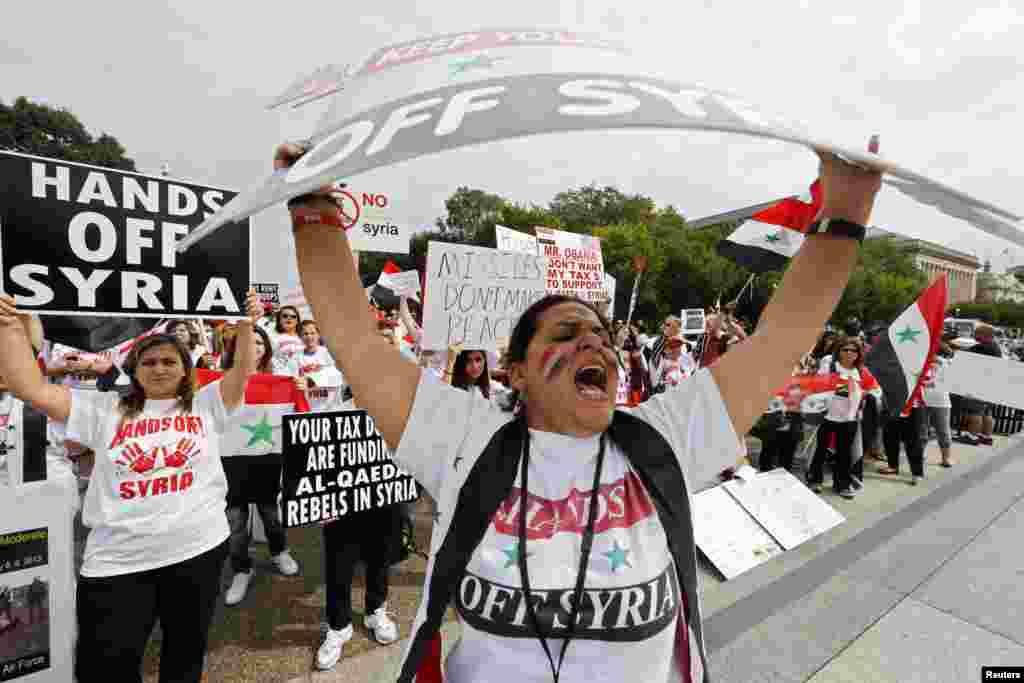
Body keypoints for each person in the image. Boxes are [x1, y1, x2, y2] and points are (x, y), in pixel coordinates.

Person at [277, 136, 881, 682]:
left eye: (600, 333)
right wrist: (312, 212)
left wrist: (848, 211)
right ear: (515, 371)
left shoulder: (663, 436)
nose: (595, 342)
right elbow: (355, 339)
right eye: (567, 333)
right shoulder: (462, 437)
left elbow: (782, 336)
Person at [0, 290, 261, 682]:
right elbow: (28, 387)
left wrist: (246, 325)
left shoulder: (206, 404)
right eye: (149, 361)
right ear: (134, 371)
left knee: (185, 658)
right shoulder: (104, 410)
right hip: (119, 565)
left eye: (169, 361)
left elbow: (242, 370)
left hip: (200, 551)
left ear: (186, 370)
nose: (159, 368)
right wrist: (7, 324)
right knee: (107, 669)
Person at [220, 324, 303, 607]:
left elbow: (301, 418)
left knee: (271, 514)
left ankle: (279, 551)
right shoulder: (217, 383)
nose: (252, 347)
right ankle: (242, 569)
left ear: (266, 349)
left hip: (267, 460)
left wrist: (300, 392)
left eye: (258, 342)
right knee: (235, 523)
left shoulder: (279, 382)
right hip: (230, 462)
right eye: (245, 341)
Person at [807, 336, 870, 498]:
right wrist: (848, 388)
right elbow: (821, 384)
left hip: (849, 419)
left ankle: (842, 484)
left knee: (844, 453)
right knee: (820, 450)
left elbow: (872, 389)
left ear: (858, 354)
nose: (849, 353)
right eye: (845, 349)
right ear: (839, 351)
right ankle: (815, 480)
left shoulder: (861, 371)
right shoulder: (830, 364)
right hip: (827, 416)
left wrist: (864, 395)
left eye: (853, 350)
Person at [960, 324, 1003, 445]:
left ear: (984, 335)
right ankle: (986, 437)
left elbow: (964, 354)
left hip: (980, 383)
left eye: (976, 333)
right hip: (991, 384)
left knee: (975, 411)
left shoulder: (983, 347)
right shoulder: (995, 346)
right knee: (987, 412)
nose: (974, 336)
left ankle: (972, 437)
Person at [922, 337, 956, 467]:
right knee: (941, 430)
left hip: (932, 400)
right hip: (936, 400)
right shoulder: (945, 362)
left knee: (925, 430)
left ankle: (942, 457)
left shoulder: (945, 362)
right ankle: (945, 458)